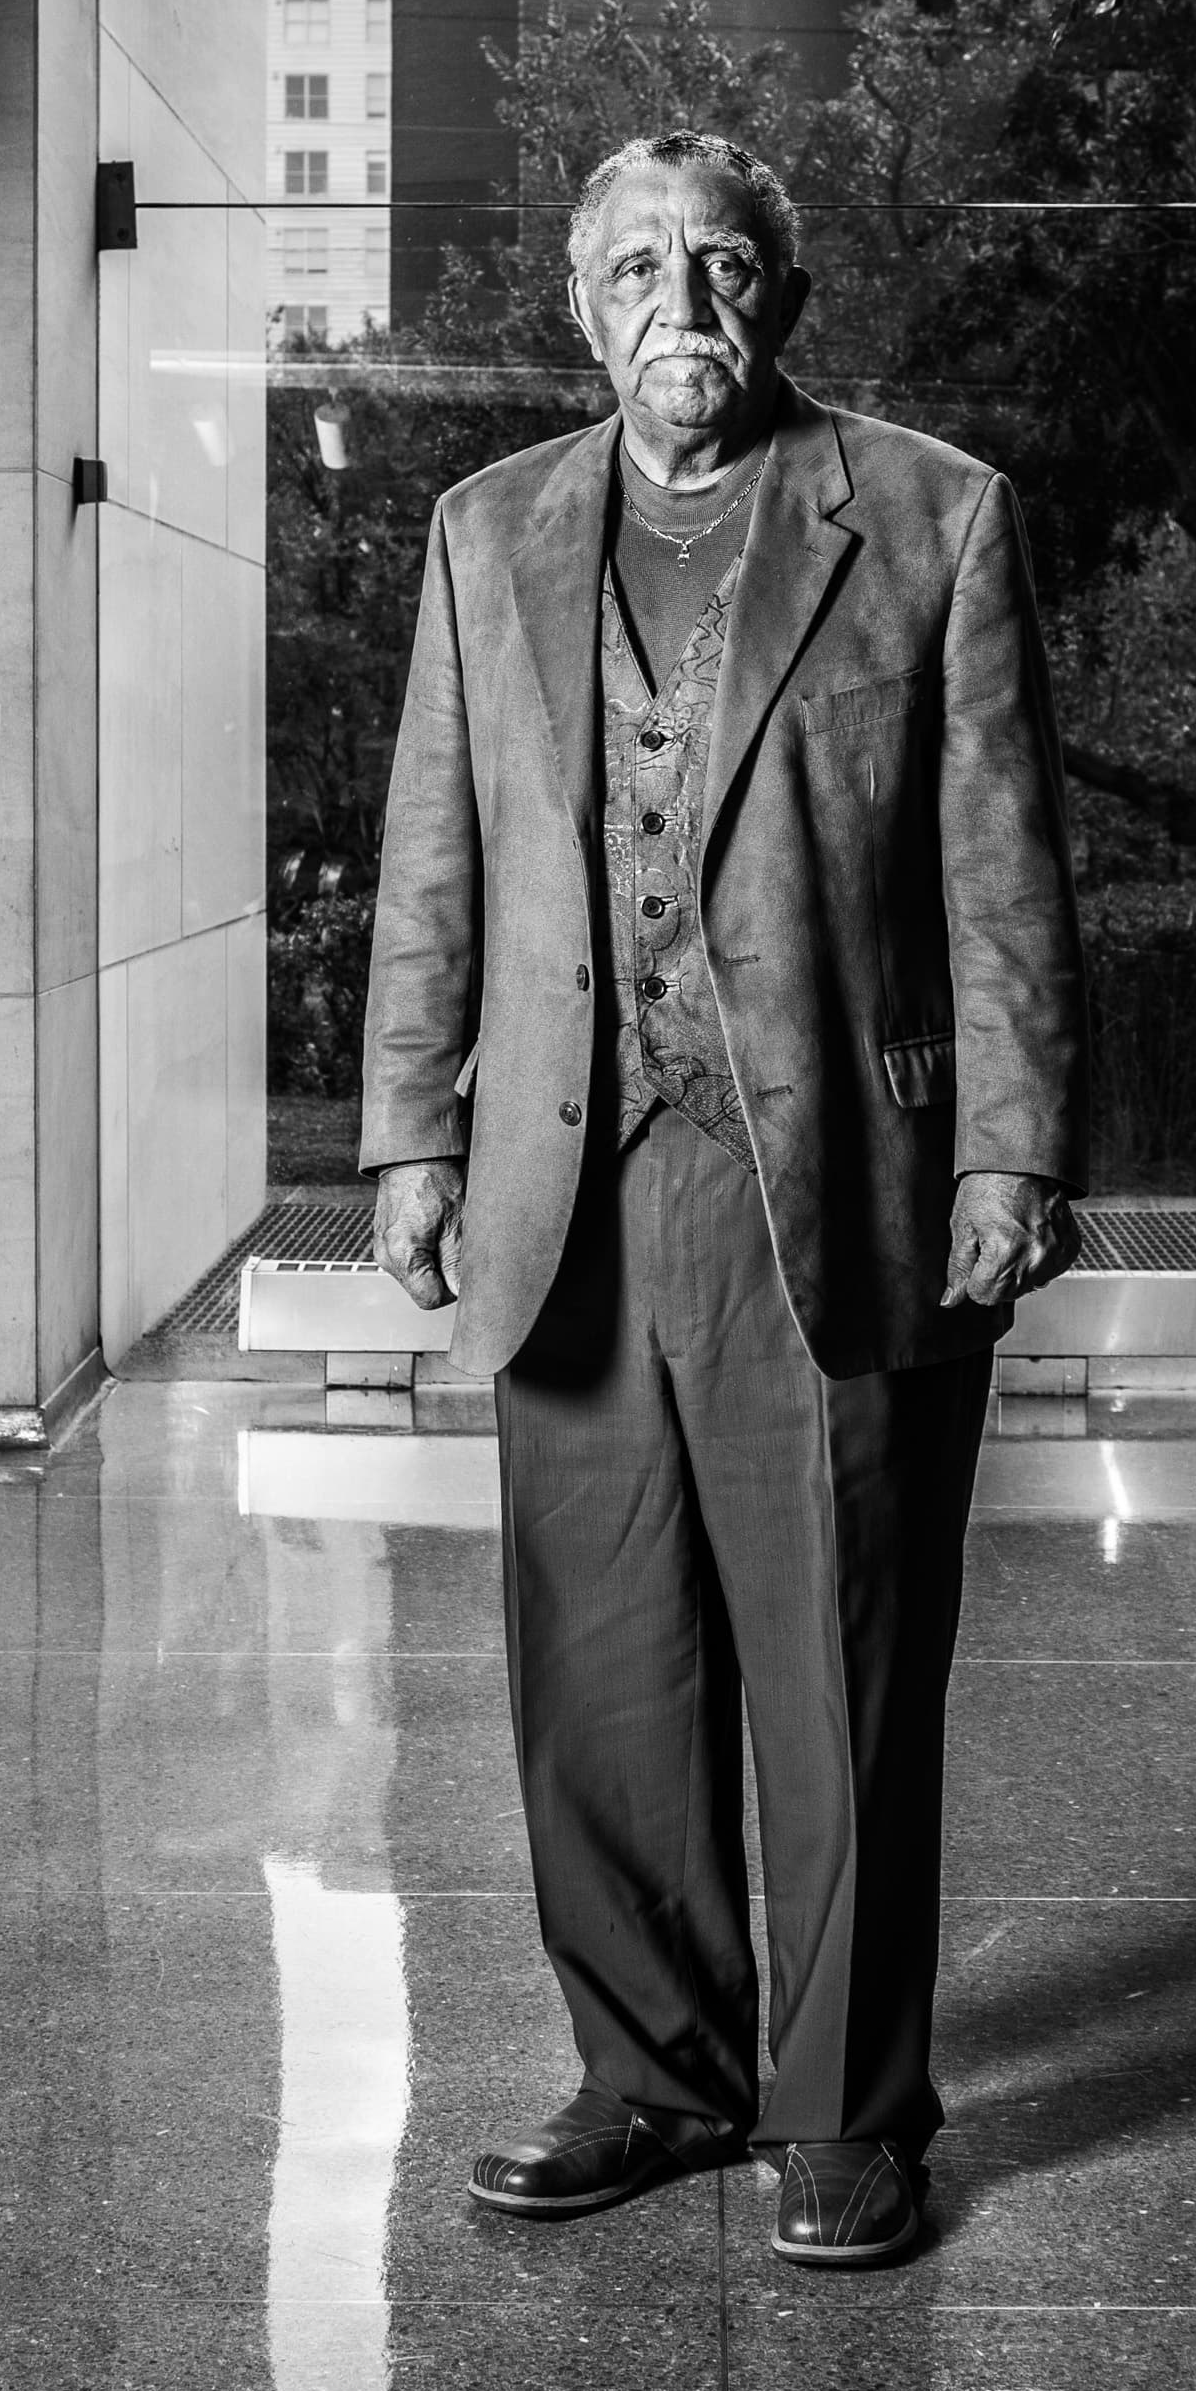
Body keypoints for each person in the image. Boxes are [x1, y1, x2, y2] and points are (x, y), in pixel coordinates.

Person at [361, 131, 1087, 2265]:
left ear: (785, 290)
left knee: (843, 1664)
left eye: (725, 260)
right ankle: (650, 2077)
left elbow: (1005, 869)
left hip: (837, 1185)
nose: (684, 298)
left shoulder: (934, 516)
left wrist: (1014, 1150)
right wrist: (409, 1129)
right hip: (568, 1185)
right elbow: (434, 856)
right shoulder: (485, 534)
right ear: (577, 306)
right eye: (636, 266)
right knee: (603, 1666)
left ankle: (846, 2110)